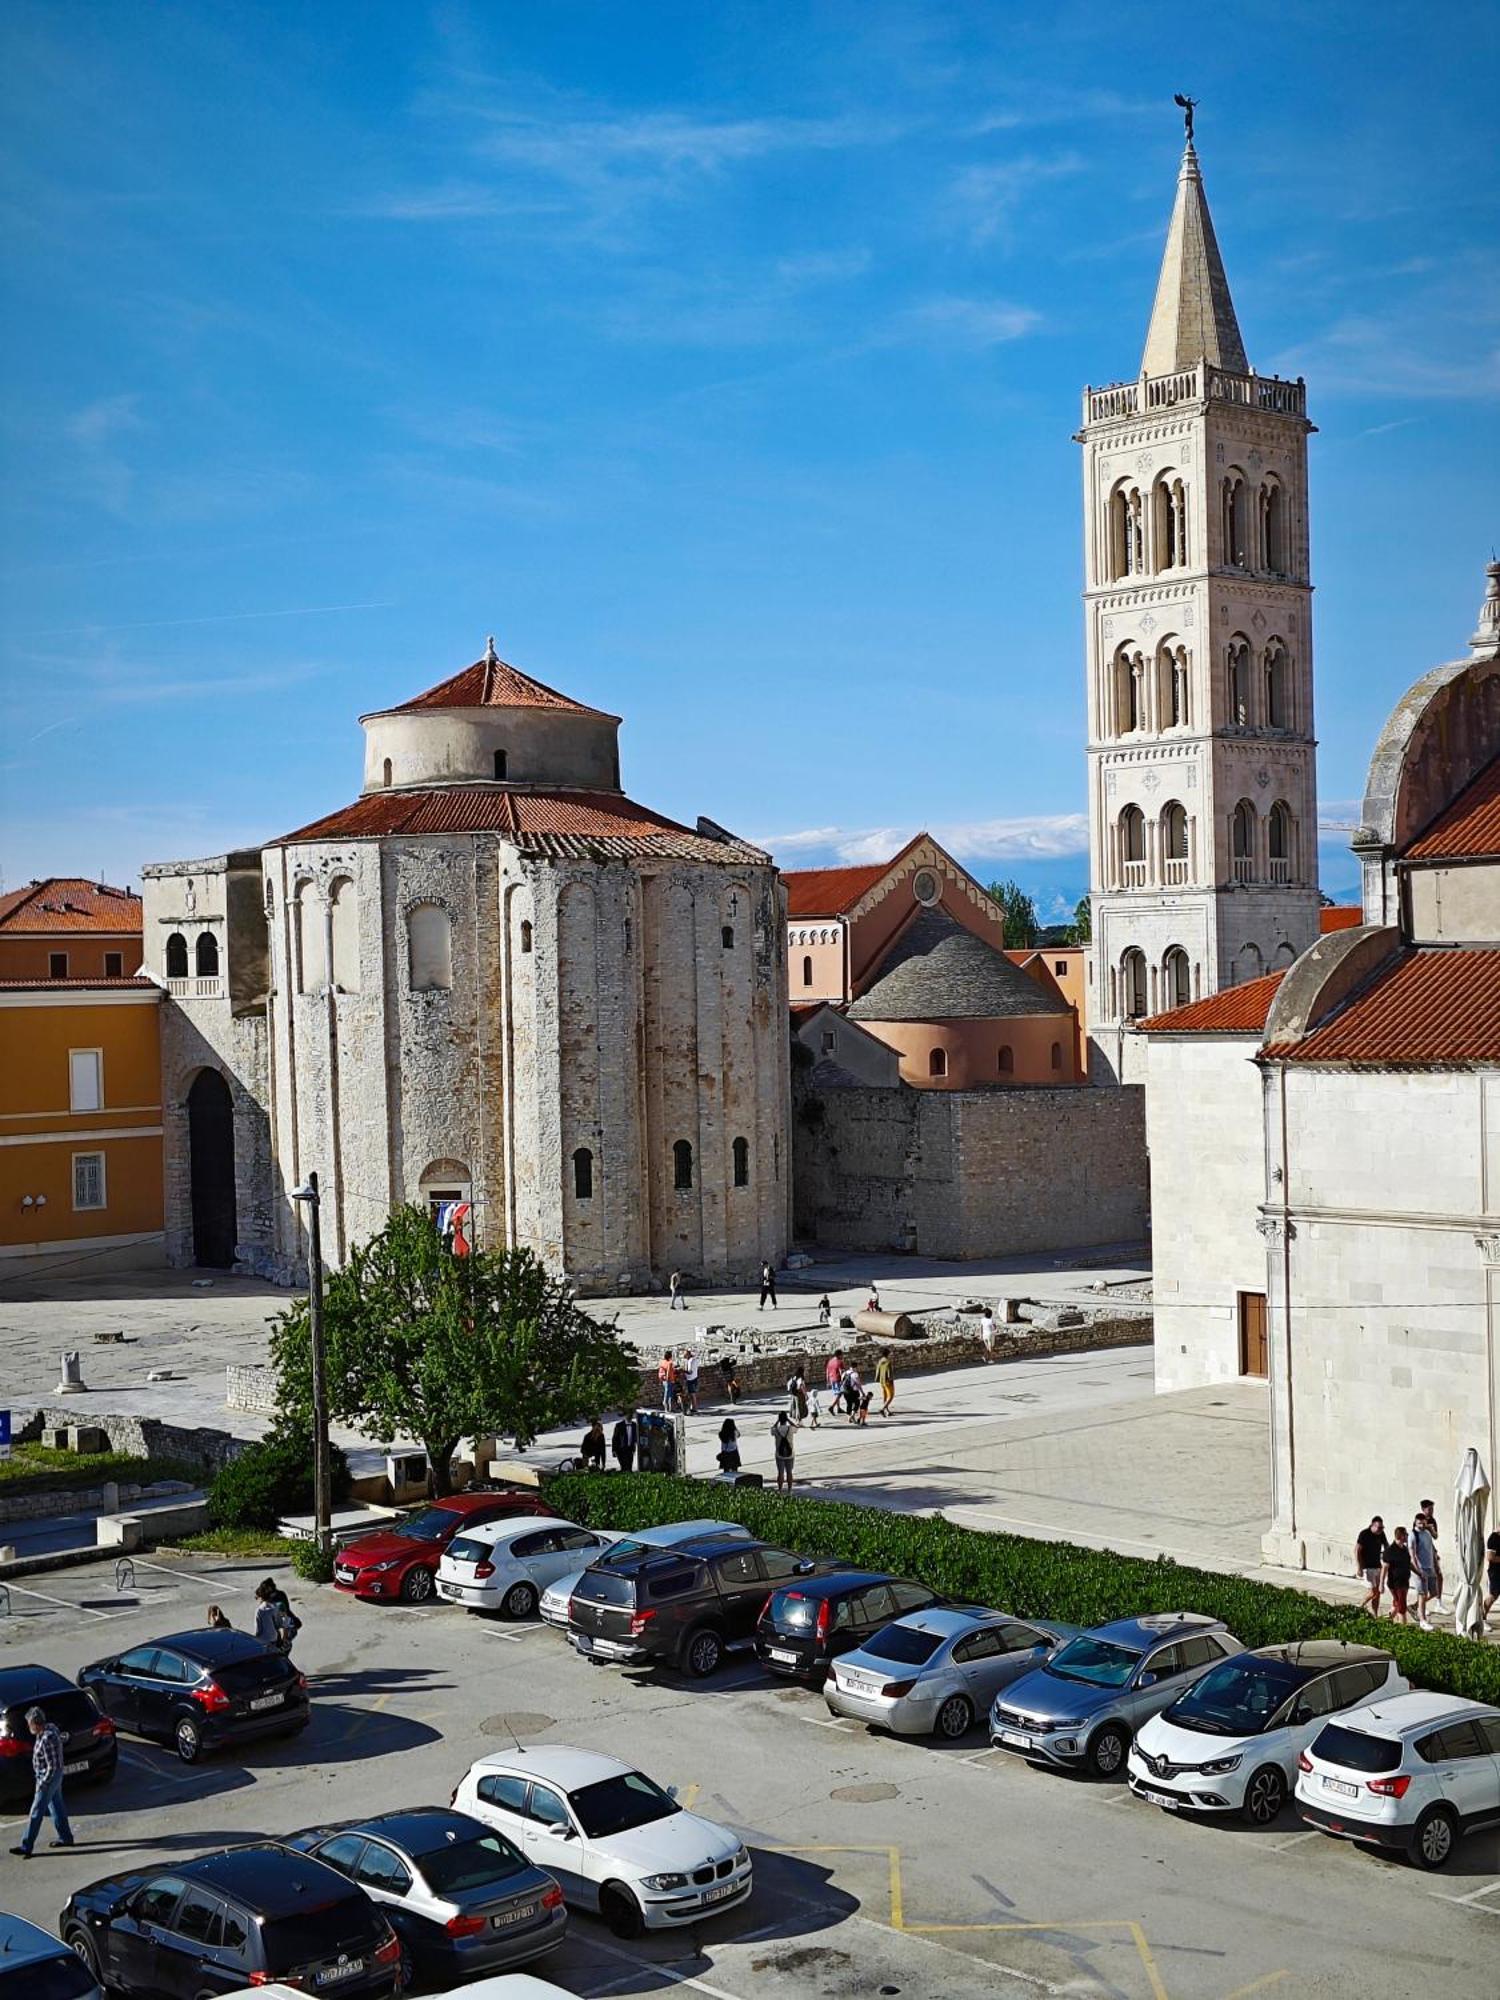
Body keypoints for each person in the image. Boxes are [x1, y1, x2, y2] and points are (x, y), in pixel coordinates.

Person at [8, 1707, 73, 1858]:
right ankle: (66, 1837)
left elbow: (53, 1766)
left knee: (36, 1812)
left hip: (48, 1778)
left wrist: (43, 1784)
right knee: (57, 1806)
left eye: (29, 1723)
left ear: (35, 1723)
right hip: (53, 1777)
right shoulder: (49, 1729)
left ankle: (26, 1846)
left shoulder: (47, 1738)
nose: (28, 1726)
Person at [1411, 1510, 1440, 1629]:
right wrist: (1418, 1570)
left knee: (1434, 1592)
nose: (1422, 1526)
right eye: (1419, 1524)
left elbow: (1432, 1548)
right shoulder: (1413, 1535)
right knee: (1422, 1594)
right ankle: (1422, 1619)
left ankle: (1415, 1606)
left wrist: (1436, 1564)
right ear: (1415, 1523)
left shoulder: (1427, 1533)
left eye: (1423, 1523)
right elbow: (1412, 1554)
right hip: (1421, 1569)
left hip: (1430, 1567)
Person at [255, 1578, 301, 1654]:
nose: (260, 1600)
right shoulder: (280, 1594)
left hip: (289, 1628)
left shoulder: (277, 1603)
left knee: (281, 1653)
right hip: (289, 1626)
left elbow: (284, 1621)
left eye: (260, 1597)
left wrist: (284, 1639)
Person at [1354, 1516, 1388, 1616]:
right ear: (1372, 1525)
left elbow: (1386, 1545)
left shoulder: (1381, 1534)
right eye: (1379, 1528)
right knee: (1373, 1592)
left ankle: (1375, 1614)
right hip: (1367, 1567)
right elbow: (1357, 1550)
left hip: (1377, 1565)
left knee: (1377, 1594)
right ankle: (1359, 1606)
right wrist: (1359, 1567)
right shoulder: (1364, 1534)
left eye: (1382, 1528)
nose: (1380, 1530)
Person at [1382, 1527, 1413, 1624]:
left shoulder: (1405, 1549)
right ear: (1401, 1536)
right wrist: (1381, 1584)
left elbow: (1409, 1564)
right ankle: (1403, 1628)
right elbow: (1385, 1568)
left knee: (1397, 1602)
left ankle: (1386, 1620)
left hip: (1405, 1581)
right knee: (1402, 1606)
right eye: (1406, 1534)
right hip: (1395, 1583)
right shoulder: (1389, 1551)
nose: (1407, 1536)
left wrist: (1419, 1573)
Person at [1418, 1499, 1445, 1608]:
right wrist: (1425, 1527)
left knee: (1439, 1575)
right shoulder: (1419, 1519)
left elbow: (1435, 1536)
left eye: (1432, 1508)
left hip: (1431, 1549)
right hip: (1422, 1551)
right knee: (1424, 1579)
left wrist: (1431, 1529)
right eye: (1429, 1509)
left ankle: (1438, 1602)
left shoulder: (1432, 1520)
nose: (1431, 1511)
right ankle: (1419, 1605)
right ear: (1423, 1509)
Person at [771, 1410, 796, 1492]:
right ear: (786, 1420)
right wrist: (789, 1420)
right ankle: (789, 1489)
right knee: (789, 1472)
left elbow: (772, 1429)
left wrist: (777, 1422)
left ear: (779, 1420)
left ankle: (780, 1489)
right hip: (790, 1454)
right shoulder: (790, 1429)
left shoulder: (776, 1430)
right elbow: (796, 1427)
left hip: (779, 1454)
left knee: (780, 1473)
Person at [1482, 1526, 1500, 1624]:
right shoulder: (1494, 1538)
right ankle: (1482, 1617)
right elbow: (1490, 1557)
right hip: (1495, 1572)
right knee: (1493, 1596)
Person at [823, 1350, 844, 1419]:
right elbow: (841, 1371)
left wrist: (827, 1381)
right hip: (838, 1379)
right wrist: (843, 1380)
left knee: (837, 1394)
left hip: (832, 1379)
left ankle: (838, 1408)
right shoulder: (839, 1362)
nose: (842, 1356)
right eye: (841, 1355)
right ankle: (832, 1407)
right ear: (839, 1355)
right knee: (840, 1394)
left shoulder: (830, 1361)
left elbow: (827, 1371)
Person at [875, 1348, 895, 1418]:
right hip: (887, 1381)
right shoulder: (888, 1362)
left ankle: (887, 1411)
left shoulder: (880, 1361)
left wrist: (877, 1379)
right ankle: (882, 1409)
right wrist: (890, 1380)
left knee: (885, 1395)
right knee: (891, 1396)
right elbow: (889, 1373)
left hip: (882, 1381)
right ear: (888, 1354)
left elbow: (878, 1370)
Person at [683, 1346, 700, 1414]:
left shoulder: (690, 1361)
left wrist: (683, 1371)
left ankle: (695, 1408)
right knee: (692, 1393)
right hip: (695, 1377)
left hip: (691, 1379)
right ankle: (693, 1407)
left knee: (692, 1394)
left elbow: (690, 1372)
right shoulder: (695, 1359)